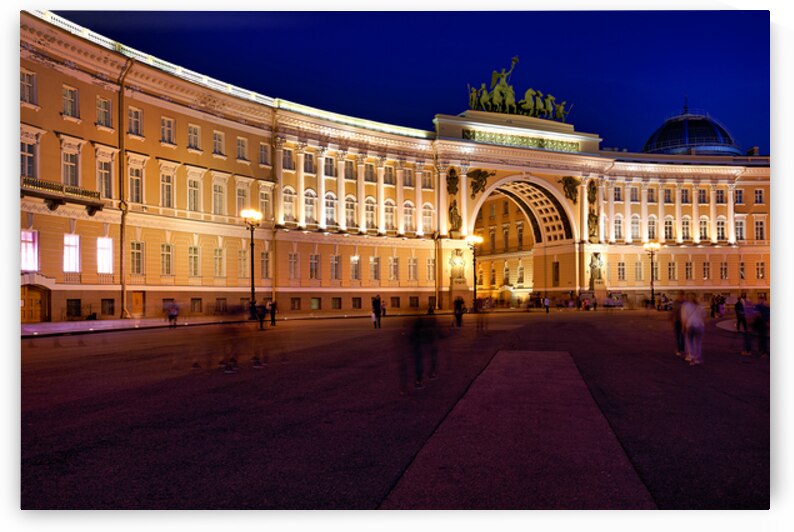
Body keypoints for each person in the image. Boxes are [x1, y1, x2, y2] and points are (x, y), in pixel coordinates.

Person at [681, 293, 705, 366]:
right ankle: (697, 358)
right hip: (699, 326)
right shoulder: (700, 306)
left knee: (690, 342)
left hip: (690, 325)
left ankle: (691, 357)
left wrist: (683, 327)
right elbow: (704, 316)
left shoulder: (685, 306)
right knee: (698, 343)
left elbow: (684, 318)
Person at [671, 292, 685, 358]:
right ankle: (679, 349)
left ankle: (682, 349)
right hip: (677, 321)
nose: (680, 297)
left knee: (683, 336)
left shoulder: (685, 302)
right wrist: (672, 320)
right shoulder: (675, 302)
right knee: (677, 336)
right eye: (679, 295)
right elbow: (673, 312)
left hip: (684, 321)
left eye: (681, 295)